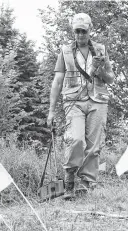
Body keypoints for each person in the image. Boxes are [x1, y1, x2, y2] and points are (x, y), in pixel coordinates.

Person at [47, 12, 115, 199]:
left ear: (89, 30)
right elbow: (57, 81)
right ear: (73, 31)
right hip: (73, 101)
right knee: (75, 140)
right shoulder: (65, 51)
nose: (80, 35)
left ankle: (85, 185)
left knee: (94, 146)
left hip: (98, 101)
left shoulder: (101, 50)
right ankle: (69, 179)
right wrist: (51, 111)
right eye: (77, 31)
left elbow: (110, 78)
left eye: (83, 31)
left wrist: (100, 70)